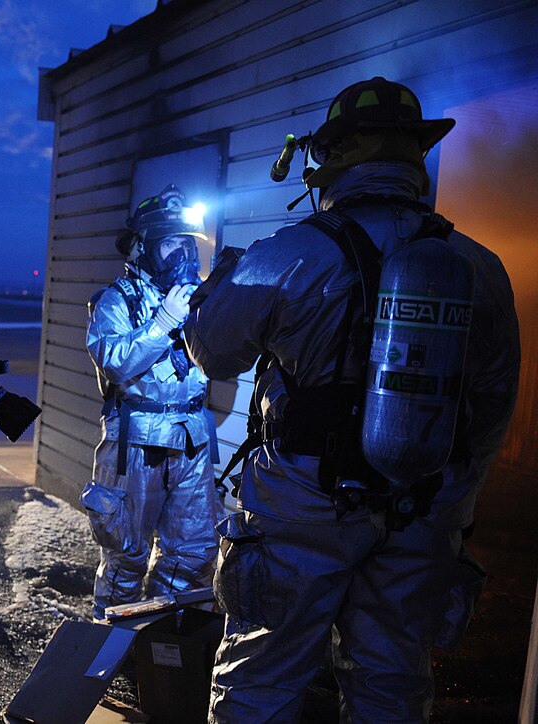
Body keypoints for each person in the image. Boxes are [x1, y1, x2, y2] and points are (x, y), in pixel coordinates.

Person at [181, 77, 520, 722]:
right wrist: (453, 502)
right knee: (392, 685)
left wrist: (221, 280)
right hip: (424, 505)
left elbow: (211, 352)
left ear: (333, 155)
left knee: (263, 679)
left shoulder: (290, 252)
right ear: (415, 157)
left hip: (301, 502)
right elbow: (494, 400)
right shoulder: (480, 267)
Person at [81, 184, 223, 621]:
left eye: (188, 245)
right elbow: (114, 362)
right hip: (136, 442)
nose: (182, 255)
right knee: (126, 554)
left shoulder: (198, 300)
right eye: (171, 245)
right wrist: (161, 324)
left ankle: (162, 649)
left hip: (192, 440)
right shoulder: (116, 300)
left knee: (193, 553)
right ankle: (113, 654)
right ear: (144, 248)